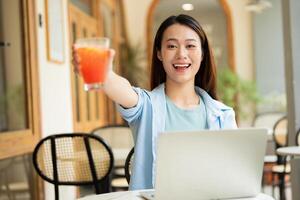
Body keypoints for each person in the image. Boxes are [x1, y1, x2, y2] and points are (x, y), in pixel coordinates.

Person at [73, 14, 237, 190]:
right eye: (172, 46)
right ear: (159, 53)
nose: (181, 54)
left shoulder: (223, 114)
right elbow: (124, 90)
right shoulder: (146, 106)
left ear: (203, 53)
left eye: (190, 46)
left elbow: (233, 174)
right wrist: (104, 75)